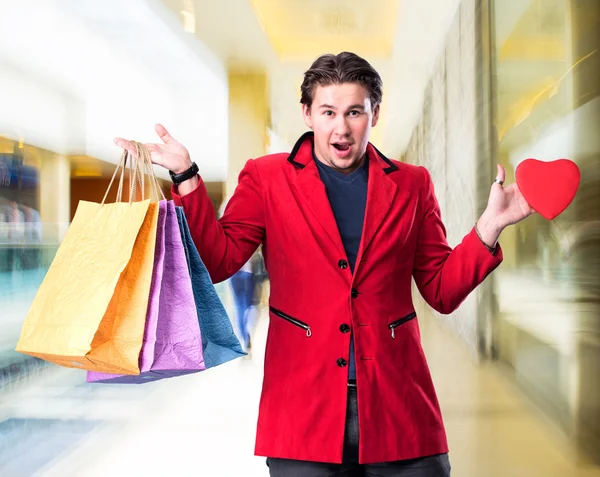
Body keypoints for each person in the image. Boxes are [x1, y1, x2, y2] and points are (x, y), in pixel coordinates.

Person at [115, 52, 535, 477]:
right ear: (307, 114)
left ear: (374, 113)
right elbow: (218, 262)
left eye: (355, 111)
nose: (342, 126)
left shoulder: (412, 184)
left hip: (399, 408)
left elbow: (441, 291)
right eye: (328, 111)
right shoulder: (267, 178)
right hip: (301, 410)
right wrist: (186, 175)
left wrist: (489, 226)